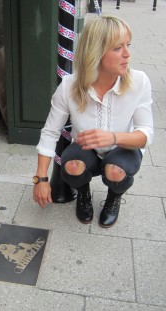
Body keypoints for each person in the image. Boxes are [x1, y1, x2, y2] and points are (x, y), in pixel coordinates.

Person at [32, 15, 154, 228]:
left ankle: (114, 197)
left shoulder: (139, 82)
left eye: (128, 45)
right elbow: (50, 132)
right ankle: (83, 192)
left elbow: (146, 134)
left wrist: (113, 137)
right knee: (71, 165)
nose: (127, 54)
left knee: (116, 170)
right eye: (118, 48)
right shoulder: (69, 87)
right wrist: (41, 179)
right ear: (95, 52)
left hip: (122, 148)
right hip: (86, 150)